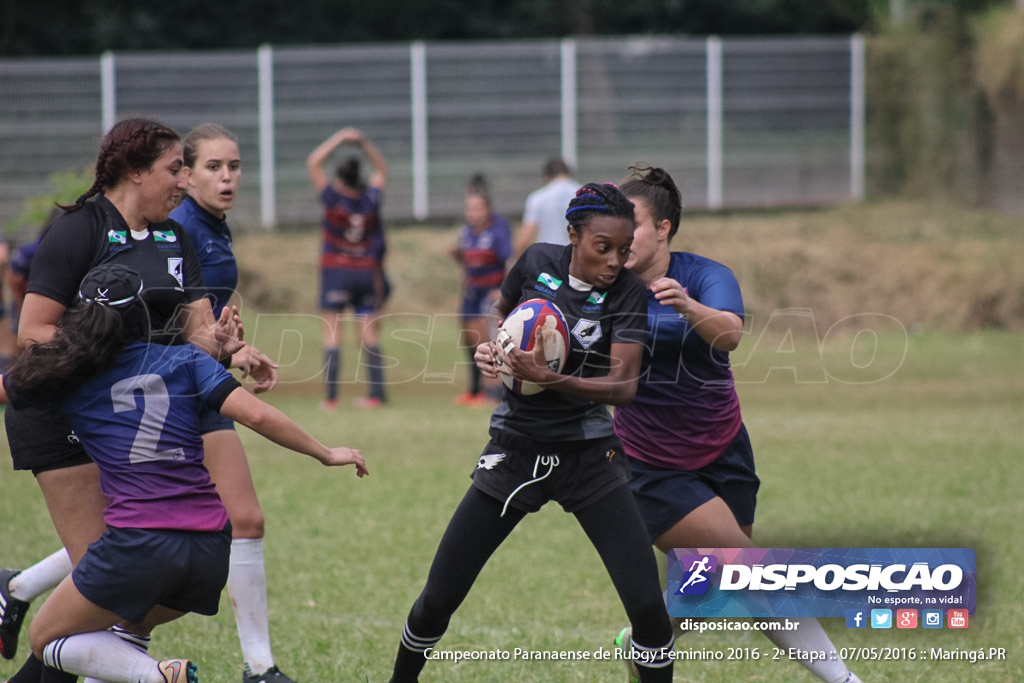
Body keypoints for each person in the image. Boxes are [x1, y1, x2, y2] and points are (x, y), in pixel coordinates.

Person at [0, 263, 367, 683]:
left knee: (45, 641)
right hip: (209, 550)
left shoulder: (70, 374)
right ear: (143, 314)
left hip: (137, 546)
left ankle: (157, 676)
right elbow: (259, 416)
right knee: (128, 630)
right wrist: (326, 452)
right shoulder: (186, 359)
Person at [0, 118, 260, 670]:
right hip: (63, 413)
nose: (185, 181)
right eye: (175, 170)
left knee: (132, 594)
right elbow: (33, 333)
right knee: (108, 578)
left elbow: (197, 334)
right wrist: (119, 364)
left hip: (137, 413)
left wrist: (225, 347)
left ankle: (22, 600)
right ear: (135, 171)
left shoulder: (176, 237)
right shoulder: (80, 229)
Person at [389, 183, 674, 683]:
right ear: (572, 235)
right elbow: (499, 311)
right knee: (439, 597)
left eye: (624, 251)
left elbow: (624, 385)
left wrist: (551, 378)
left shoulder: (628, 292)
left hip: (591, 460)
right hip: (515, 451)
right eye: (602, 247)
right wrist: (493, 346)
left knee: (649, 606)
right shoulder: (535, 260)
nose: (614, 261)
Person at [611, 164, 863, 683]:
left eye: (630, 223)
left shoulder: (705, 275)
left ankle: (647, 636)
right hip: (651, 468)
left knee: (717, 580)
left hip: (725, 449)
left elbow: (728, 334)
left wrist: (685, 304)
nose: (617, 236)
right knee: (752, 568)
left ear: (663, 228)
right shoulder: (604, 289)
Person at [169, 122, 300, 683]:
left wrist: (239, 351)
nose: (227, 177)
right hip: (167, 391)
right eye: (214, 167)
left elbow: (204, 324)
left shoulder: (214, 227)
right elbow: (172, 323)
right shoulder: (179, 229)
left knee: (244, 519)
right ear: (187, 172)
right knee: (129, 532)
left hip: (203, 381)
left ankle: (259, 667)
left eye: (235, 166)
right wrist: (229, 351)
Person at [305, 127, 390, 409]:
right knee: (369, 334)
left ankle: (331, 399)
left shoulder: (332, 197)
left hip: (336, 270)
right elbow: (382, 170)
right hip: (365, 271)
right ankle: (376, 395)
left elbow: (313, 162)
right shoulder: (369, 200)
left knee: (332, 332)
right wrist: (364, 144)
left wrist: (340, 139)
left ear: (339, 180)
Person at [449, 174, 511, 406]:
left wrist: (503, 290)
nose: (471, 213)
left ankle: (493, 392)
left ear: (486, 209)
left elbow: (508, 261)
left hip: (489, 292)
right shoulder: (467, 232)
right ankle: (474, 389)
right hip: (471, 291)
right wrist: (458, 256)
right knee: (469, 339)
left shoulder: (498, 229)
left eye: (476, 208)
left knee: (485, 341)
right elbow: (469, 261)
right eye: (469, 209)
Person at [513, 157, 579, 254]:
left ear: (546, 177)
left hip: (549, 258)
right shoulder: (583, 195)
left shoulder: (538, 198)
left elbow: (526, 236)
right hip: (577, 256)